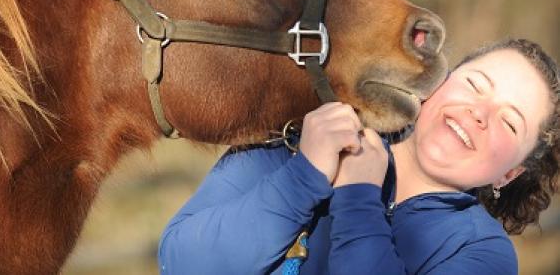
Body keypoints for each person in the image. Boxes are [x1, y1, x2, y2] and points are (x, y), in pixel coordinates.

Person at [158, 38, 560, 274]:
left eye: (510, 123)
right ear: (439, 81)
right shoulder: (304, 135)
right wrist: (304, 176)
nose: (480, 112)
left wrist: (358, 199)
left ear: (510, 174)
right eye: (475, 84)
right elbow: (182, 262)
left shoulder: (482, 254)